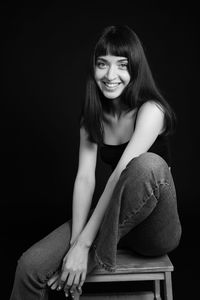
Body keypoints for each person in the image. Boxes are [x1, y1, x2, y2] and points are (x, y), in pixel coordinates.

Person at [10, 25, 182, 300]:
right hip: (115, 215)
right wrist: (75, 244)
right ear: (94, 68)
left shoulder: (152, 110)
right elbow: (85, 179)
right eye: (102, 64)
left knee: (147, 165)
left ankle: (90, 257)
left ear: (135, 70)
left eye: (122, 65)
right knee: (30, 266)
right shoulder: (92, 117)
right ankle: (83, 254)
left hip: (155, 229)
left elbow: (119, 176)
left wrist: (85, 247)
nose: (110, 75)